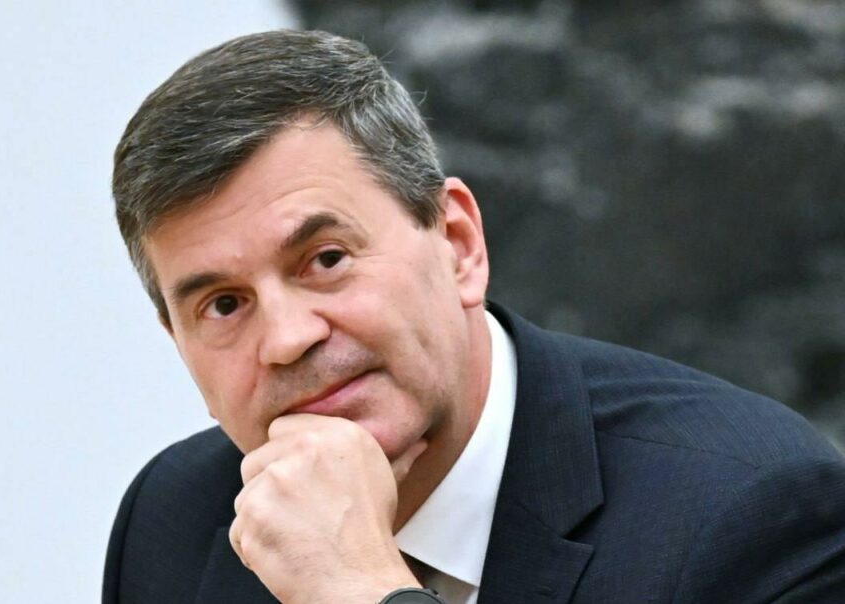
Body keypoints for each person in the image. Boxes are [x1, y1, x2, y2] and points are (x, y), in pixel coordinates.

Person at [103, 30, 845, 604]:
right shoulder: (176, 519)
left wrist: (360, 589)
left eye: (326, 259)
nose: (289, 338)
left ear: (458, 244)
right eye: (223, 305)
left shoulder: (748, 514)